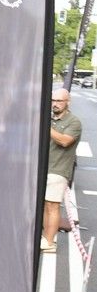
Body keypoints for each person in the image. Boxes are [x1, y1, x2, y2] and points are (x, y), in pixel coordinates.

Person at [42, 87, 82, 253]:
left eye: (59, 101)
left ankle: (50, 242)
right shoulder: (50, 119)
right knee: (45, 205)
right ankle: (46, 238)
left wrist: (45, 126)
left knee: (53, 205)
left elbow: (65, 141)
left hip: (58, 170)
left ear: (68, 102)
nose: (55, 104)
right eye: (53, 101)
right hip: (44, 168)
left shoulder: (74, 122)